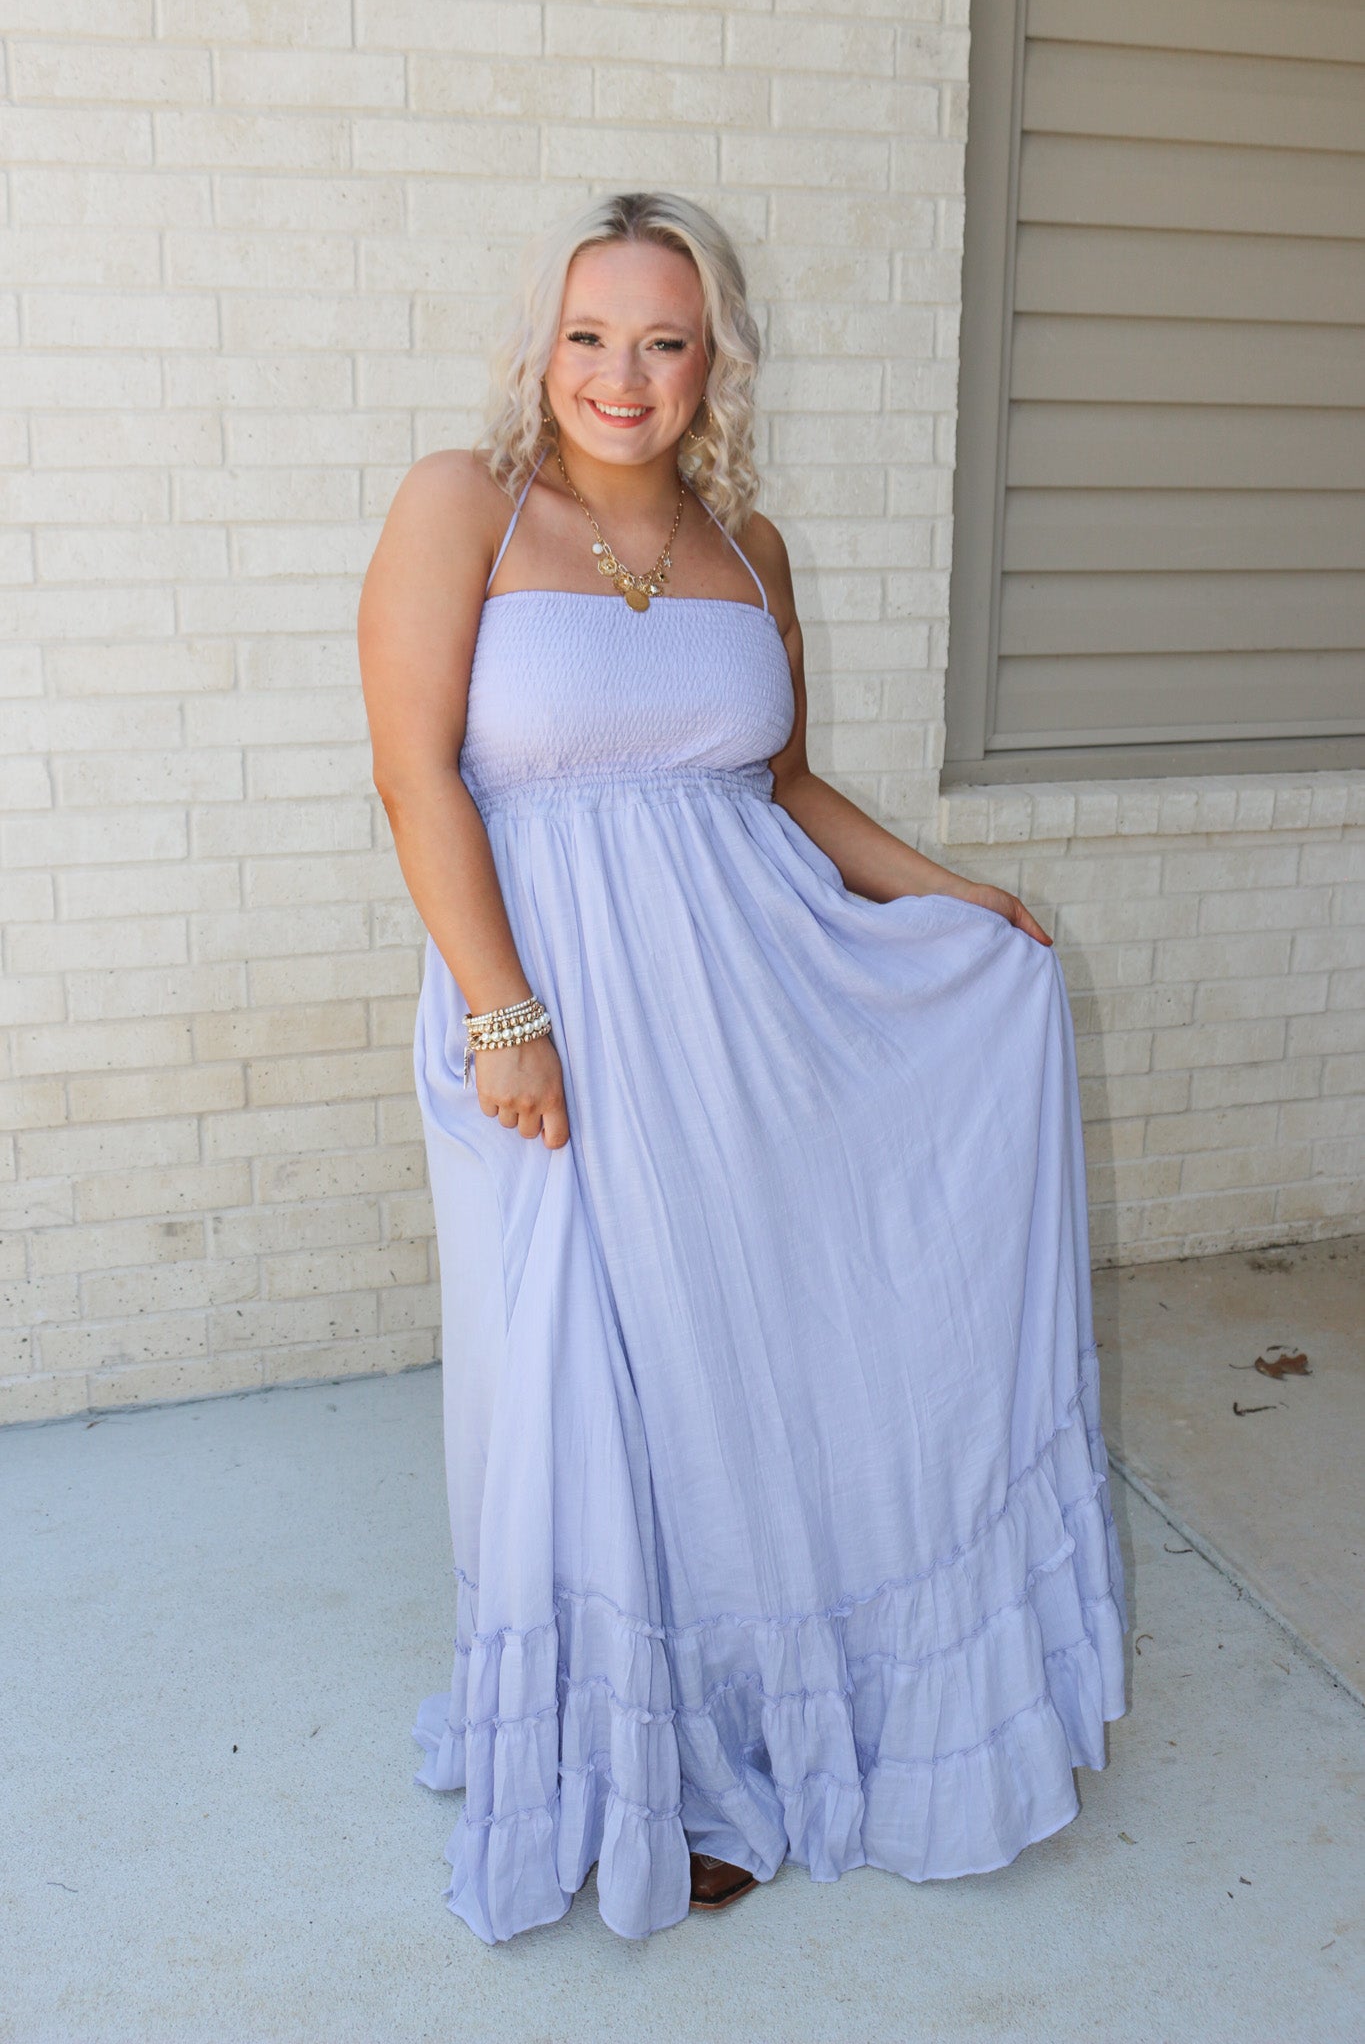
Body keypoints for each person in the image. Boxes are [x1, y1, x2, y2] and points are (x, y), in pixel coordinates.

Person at [357, 189, 1129, 1947]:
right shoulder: (463, 505)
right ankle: (631, 1765)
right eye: (589, 337)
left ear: (714, 360)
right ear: (540, 348)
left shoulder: (747, 546)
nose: (621, 376)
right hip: (554, 1014)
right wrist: (501, 1011)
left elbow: (780, 788)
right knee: (580, 1380)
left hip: (755, 1016)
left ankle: (739, 1732)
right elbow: (415, 774)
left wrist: (951, 900)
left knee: (733, 1370)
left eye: (664, 341)